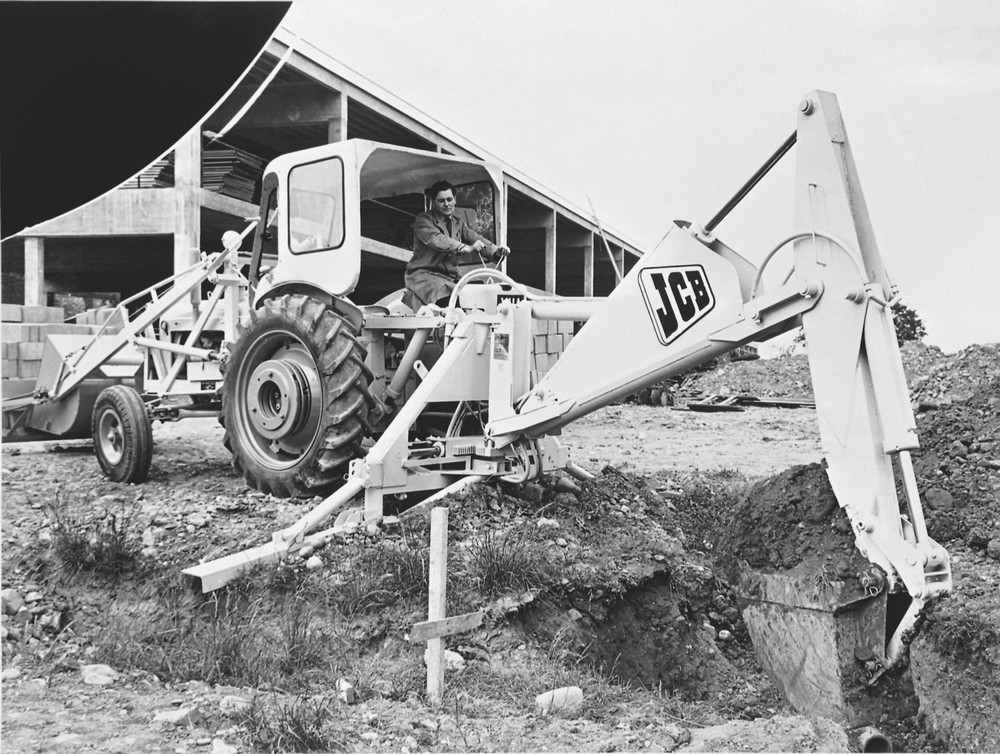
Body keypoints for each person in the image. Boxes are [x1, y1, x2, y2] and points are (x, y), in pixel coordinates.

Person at [403, 180, 510, 309]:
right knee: (448, 298)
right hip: (424, 276)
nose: (446, 204)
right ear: (433, 203)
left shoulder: (457, 222)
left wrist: (497, 252)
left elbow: (474, 238)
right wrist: (465, 248)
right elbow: (437, 240)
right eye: (441, 201)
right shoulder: (423, 220)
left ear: (455, 200)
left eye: (449, 199)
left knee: (476, 295)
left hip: (448, 278)